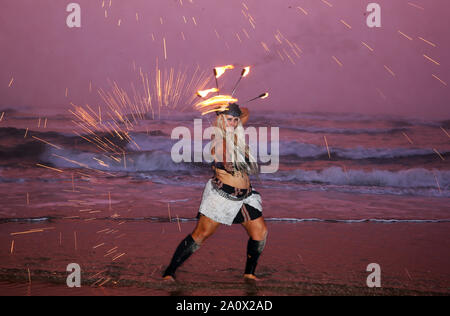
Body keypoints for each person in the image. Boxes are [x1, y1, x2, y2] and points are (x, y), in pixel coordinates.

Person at [162, 103, 268, 281]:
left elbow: (246, 112)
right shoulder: (219, 139)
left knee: (260, 232)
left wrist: (229, 103)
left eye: (235, 120)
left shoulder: (235, 135)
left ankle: (249, 274)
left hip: (245, 197)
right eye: (229, 120)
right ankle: (169, 272)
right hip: (222, 197)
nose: (233, 123)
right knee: (201, 234)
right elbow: (221, 155)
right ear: (220, 120)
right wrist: (224, 163)